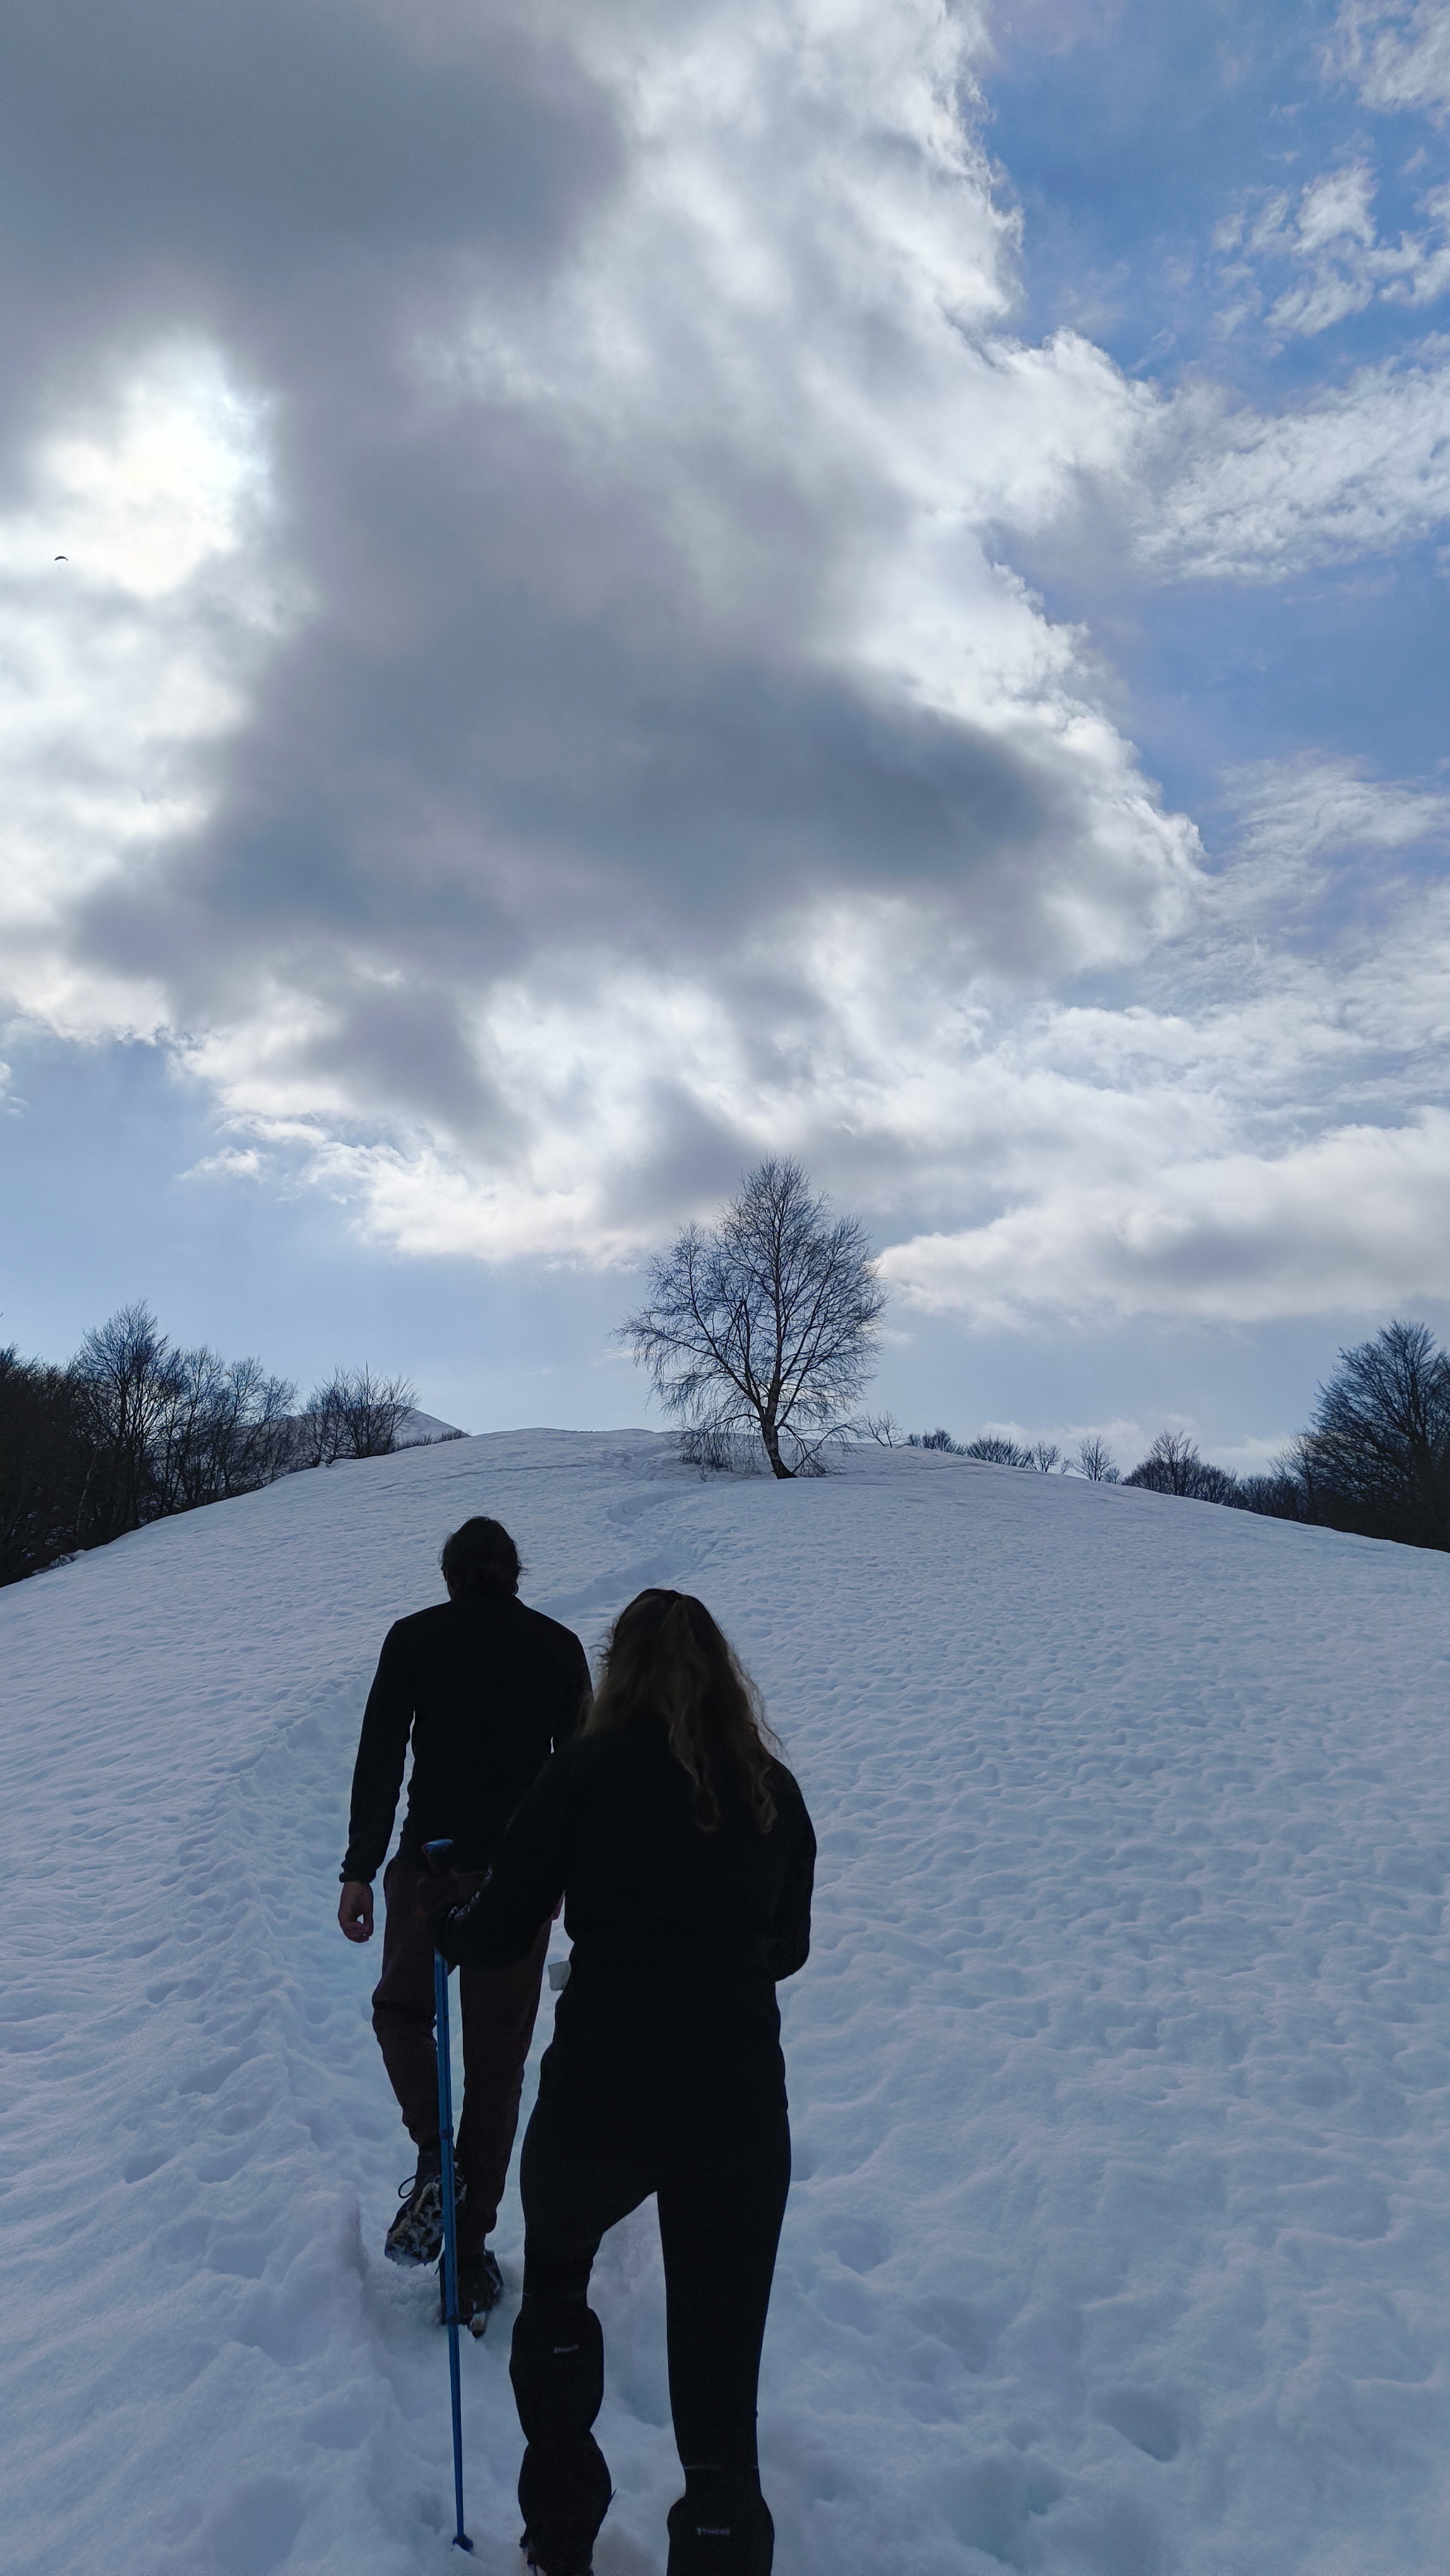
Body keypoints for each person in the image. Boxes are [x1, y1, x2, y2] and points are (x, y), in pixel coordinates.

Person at [436, 1587, 816, 2576]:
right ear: (722, 1672)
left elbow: (507, 1927)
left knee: (556, 2295)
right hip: (736, 2105)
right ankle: (722, 2543)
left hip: (600, 2090)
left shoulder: (584, 1774)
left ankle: (562, 2535)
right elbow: (788, 1950)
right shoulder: (772, 1789)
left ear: (620, 1669)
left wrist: (452, 1927)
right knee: (722, 2378)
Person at [337, 1514, 590, 2330]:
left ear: (450, 1576)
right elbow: (577, 1776)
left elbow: (380, 1755)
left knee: (401, 2012)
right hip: (515, 1881)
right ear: (513, 1574)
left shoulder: (414, 1639)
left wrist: (358, 1869)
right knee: (497, 2065)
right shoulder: (556, 1647)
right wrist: (568, 1884)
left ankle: (432, 2155)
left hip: (425, 1869)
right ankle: (471, 2252)